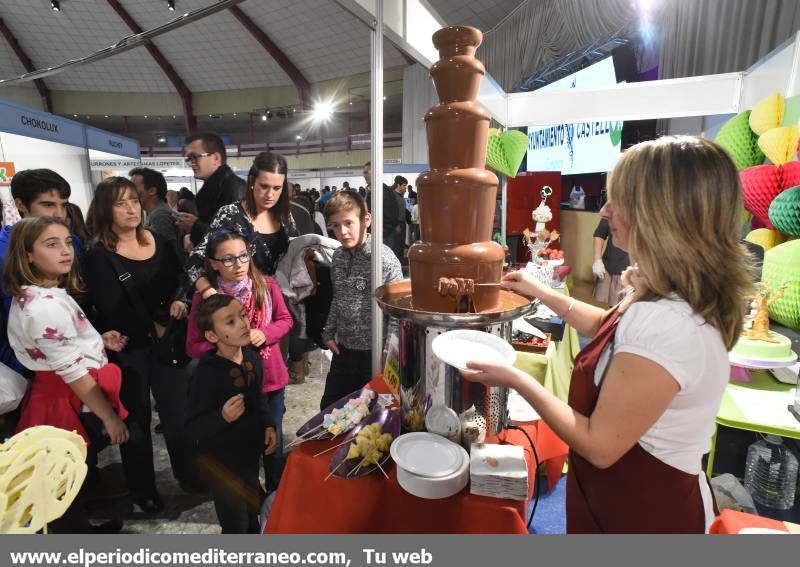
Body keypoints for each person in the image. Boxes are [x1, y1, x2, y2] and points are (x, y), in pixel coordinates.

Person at [461, 136, 753, 533]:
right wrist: (542, 292)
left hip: (644, 515)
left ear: (659, 215)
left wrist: (514, 377)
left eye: (618, 201)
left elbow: (599, 445)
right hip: (622, 501)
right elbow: (609, 329)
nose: (605, 210)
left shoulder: (670, 326)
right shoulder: (673, 296)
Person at [4, 216, 129, 532]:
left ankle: (80, 530)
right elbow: (71, 371)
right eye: (51, 244)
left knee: (70, 472)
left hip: (60, 391)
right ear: (27, 254)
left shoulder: (43, 294)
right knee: (63, 477)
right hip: (64, 398)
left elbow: (58, 346)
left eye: (66, 241)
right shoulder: (41, 305)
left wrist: (97, 341)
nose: (65, 250)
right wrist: (109, 417)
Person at [83, 177, 194, 511]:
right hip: (128, 347)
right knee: (136, 421)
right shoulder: (98, 255)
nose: (131, 209)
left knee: (178, 415)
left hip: (169, 342)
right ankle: (142, 489)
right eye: (120, 203)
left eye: (133, 200)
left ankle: (190, 477)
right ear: (105, 209)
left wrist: (180, 301)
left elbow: (183, 279)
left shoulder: (159, 240)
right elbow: (104, 306)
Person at [186, 229, 292, 494]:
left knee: (273, 440)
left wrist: (264, 333)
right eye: (228, 259)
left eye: (243, 255)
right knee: (242, 444)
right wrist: (227, 341)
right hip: (230, 387)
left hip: (269, 376)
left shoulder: (266, 285)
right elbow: (193, 344)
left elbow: (285, 320)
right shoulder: (206, 298)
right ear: (213, 264)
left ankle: (275, 491)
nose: (238, 264)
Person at [186, 294, 277, 533]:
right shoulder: (205, 374)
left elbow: (259, 397)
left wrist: (268, 425)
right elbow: (193, 427)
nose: (243, 323)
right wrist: (222, 417)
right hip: (223, 466)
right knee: (235, 524)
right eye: (230, 322)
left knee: (252, 513)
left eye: (243, 315)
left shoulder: (252, 358)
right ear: (212, 336)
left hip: (248, 457)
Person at [320, 190, 402, 409]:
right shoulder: (338, 257)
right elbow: (337, 296)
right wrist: (328, 332)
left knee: (367, 416)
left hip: (372, 355)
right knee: (330, 410)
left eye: (348, 223)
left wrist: (386, 358)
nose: (343, 232)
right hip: (343, 350)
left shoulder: (384, 260)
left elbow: (396, 316)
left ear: (366, 219)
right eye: (335, 226)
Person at [0, 169, 83, 375]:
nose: (59, 214)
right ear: (20, 204)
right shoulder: (3, 251)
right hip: (28, 370)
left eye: (64, 205)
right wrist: (26, 371)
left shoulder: (74, 244)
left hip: (78, 361)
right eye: (48, 205)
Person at [186, 151, 298, 293]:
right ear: (251, 182)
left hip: (283, 302)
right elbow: (195, 260)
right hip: (242, 304)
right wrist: (209, 292)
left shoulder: (285, 216)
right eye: (264, 186)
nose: (270, 194)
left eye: (277, 188)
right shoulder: (230, 215)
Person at [177, 133, 246, 246]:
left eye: (194, 157)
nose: (190, 163)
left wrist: (195, 226)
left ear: (216, 158)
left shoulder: (235, 187)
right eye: (189, 159)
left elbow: (234, 239)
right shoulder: (215, 187)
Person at [129, 167, 185, 262]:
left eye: (133, 187)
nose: (129, 192)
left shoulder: (159, 216)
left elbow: (167, 255)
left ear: (152, 191)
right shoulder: (157, 212)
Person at [363, 162, 401, 261]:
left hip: (383, 236)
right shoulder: (373, 190)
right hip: (377, 234)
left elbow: (390, 213)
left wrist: (383, 231)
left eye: (366, 172)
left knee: (383, 263)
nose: (364, 175)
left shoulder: (382, 190)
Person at [591, 217, 630, 306]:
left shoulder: (648, 211)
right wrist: (597, 259)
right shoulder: (612, 209)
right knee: (615, 307)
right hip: (615, 265)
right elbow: (600, 234)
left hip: (640, 269)